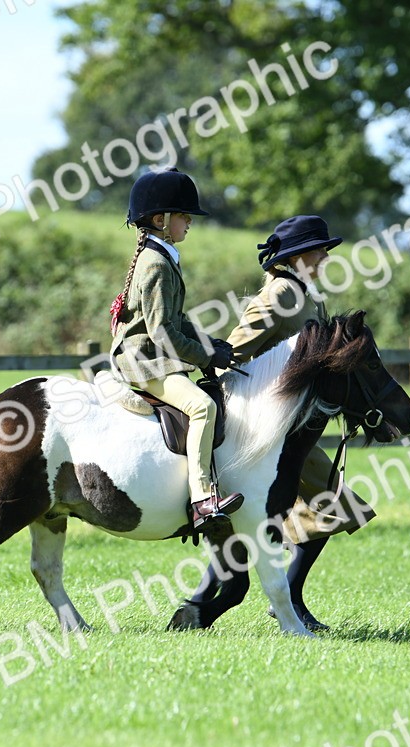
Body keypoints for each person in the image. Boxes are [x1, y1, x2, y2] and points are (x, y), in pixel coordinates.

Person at [188, 214, 376, 631]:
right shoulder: (280, 295)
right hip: (267, 431)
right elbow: (235, 350)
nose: (327, 255)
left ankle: (228, 601)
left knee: (327, 507)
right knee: (329, 506)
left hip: (294, 428)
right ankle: (260, 602)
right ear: (300, 255)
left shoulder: (308, 294)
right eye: (321, 249)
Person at [109, 168, 244, 531]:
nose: (189, 222)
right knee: (202, 406)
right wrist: (205, 357)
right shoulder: (155, 263)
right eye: (185, 216)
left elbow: (177, 319)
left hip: (156, 356)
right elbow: (162, 332)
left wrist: (208, 344)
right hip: (144, 362)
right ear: (161, 220)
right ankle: (202, 498)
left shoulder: (162, 256)